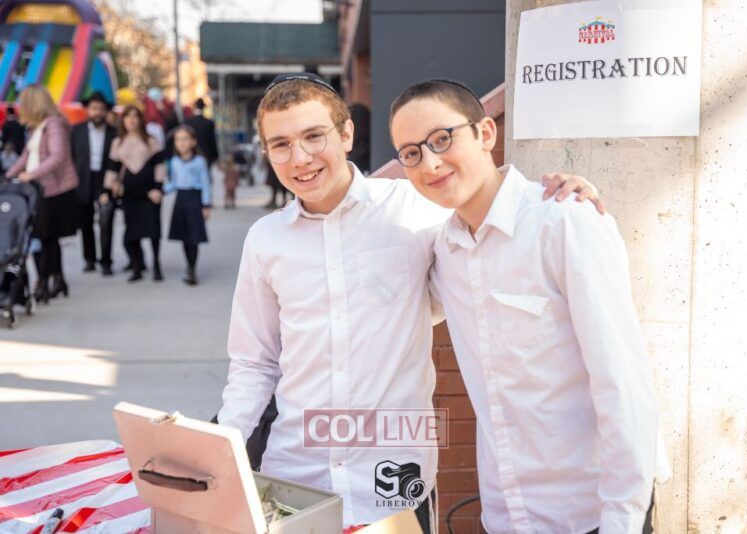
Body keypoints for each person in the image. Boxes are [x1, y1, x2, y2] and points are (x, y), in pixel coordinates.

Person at [216, 73, 602, 533]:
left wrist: (553, 196)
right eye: (280, 144)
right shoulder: (265, 240)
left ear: (346, 134)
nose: (300, 158)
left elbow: (491, 220)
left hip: (393, 479)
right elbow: (253, 363)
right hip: (295, 473)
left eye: (314, 136)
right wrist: (222, 451)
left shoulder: (418, 208)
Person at [389, 79, 660, 534]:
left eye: (442, 139)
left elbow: (623, 381)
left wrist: (623, 517)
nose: (430, 162)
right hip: (507, 512)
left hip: (591, 510)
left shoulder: (565, 220)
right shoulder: (445, 251)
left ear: (485, 133)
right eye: (411, 153)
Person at [6, 85, 79, 302]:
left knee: (46, 237)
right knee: (48, 238)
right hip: (43, 190)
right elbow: (26, 156)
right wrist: (8, 176)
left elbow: (58, 156)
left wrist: (31, 174)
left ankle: (43, 282)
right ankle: (58, 279)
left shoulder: (54, 125)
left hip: (55, 189)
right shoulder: (38, 128)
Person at [105, 105, 165, 283]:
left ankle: (156, 265)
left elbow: (159, 166)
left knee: (153, 231)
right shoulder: (118, 143)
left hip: (150, 193)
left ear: (140, 119)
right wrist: (107, 190)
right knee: (132, 233)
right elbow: (112, 169)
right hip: (129, 194)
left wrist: (158, 188)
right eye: (127, 116)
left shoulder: (151, 141)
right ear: (122, 120)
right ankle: (137, 266)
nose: (131, 120)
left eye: (135, 116)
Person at [71, 91, 117, 275]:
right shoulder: (77, 130)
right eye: (94, 108)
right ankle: (89, 259)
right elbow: (71, 156)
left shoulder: (113, 132)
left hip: (105, 179)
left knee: (106, 220)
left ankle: (106, 261)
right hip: (83, 179)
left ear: (105, 111)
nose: (97, 112)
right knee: (86, 222)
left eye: (101, 109)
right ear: (87, 110)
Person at [164, 125, 211, 286]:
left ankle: (192, 269)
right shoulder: (174, 161)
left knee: (194, 237)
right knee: (184, 236)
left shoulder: (199, 161)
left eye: (185, 139)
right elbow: (174, 182)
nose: (181, 143)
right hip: (180, 200)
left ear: (193, 141)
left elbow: (205, 184)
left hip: (194, 199)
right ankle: (189, 266)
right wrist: (160, 190)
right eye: (178, 140)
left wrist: (206, 205)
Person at [185, 98, 219, 169]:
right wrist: (215, 156)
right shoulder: (209, 123)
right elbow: (212, 141)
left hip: (192, 154)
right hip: (207, 154)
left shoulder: (188, 122)